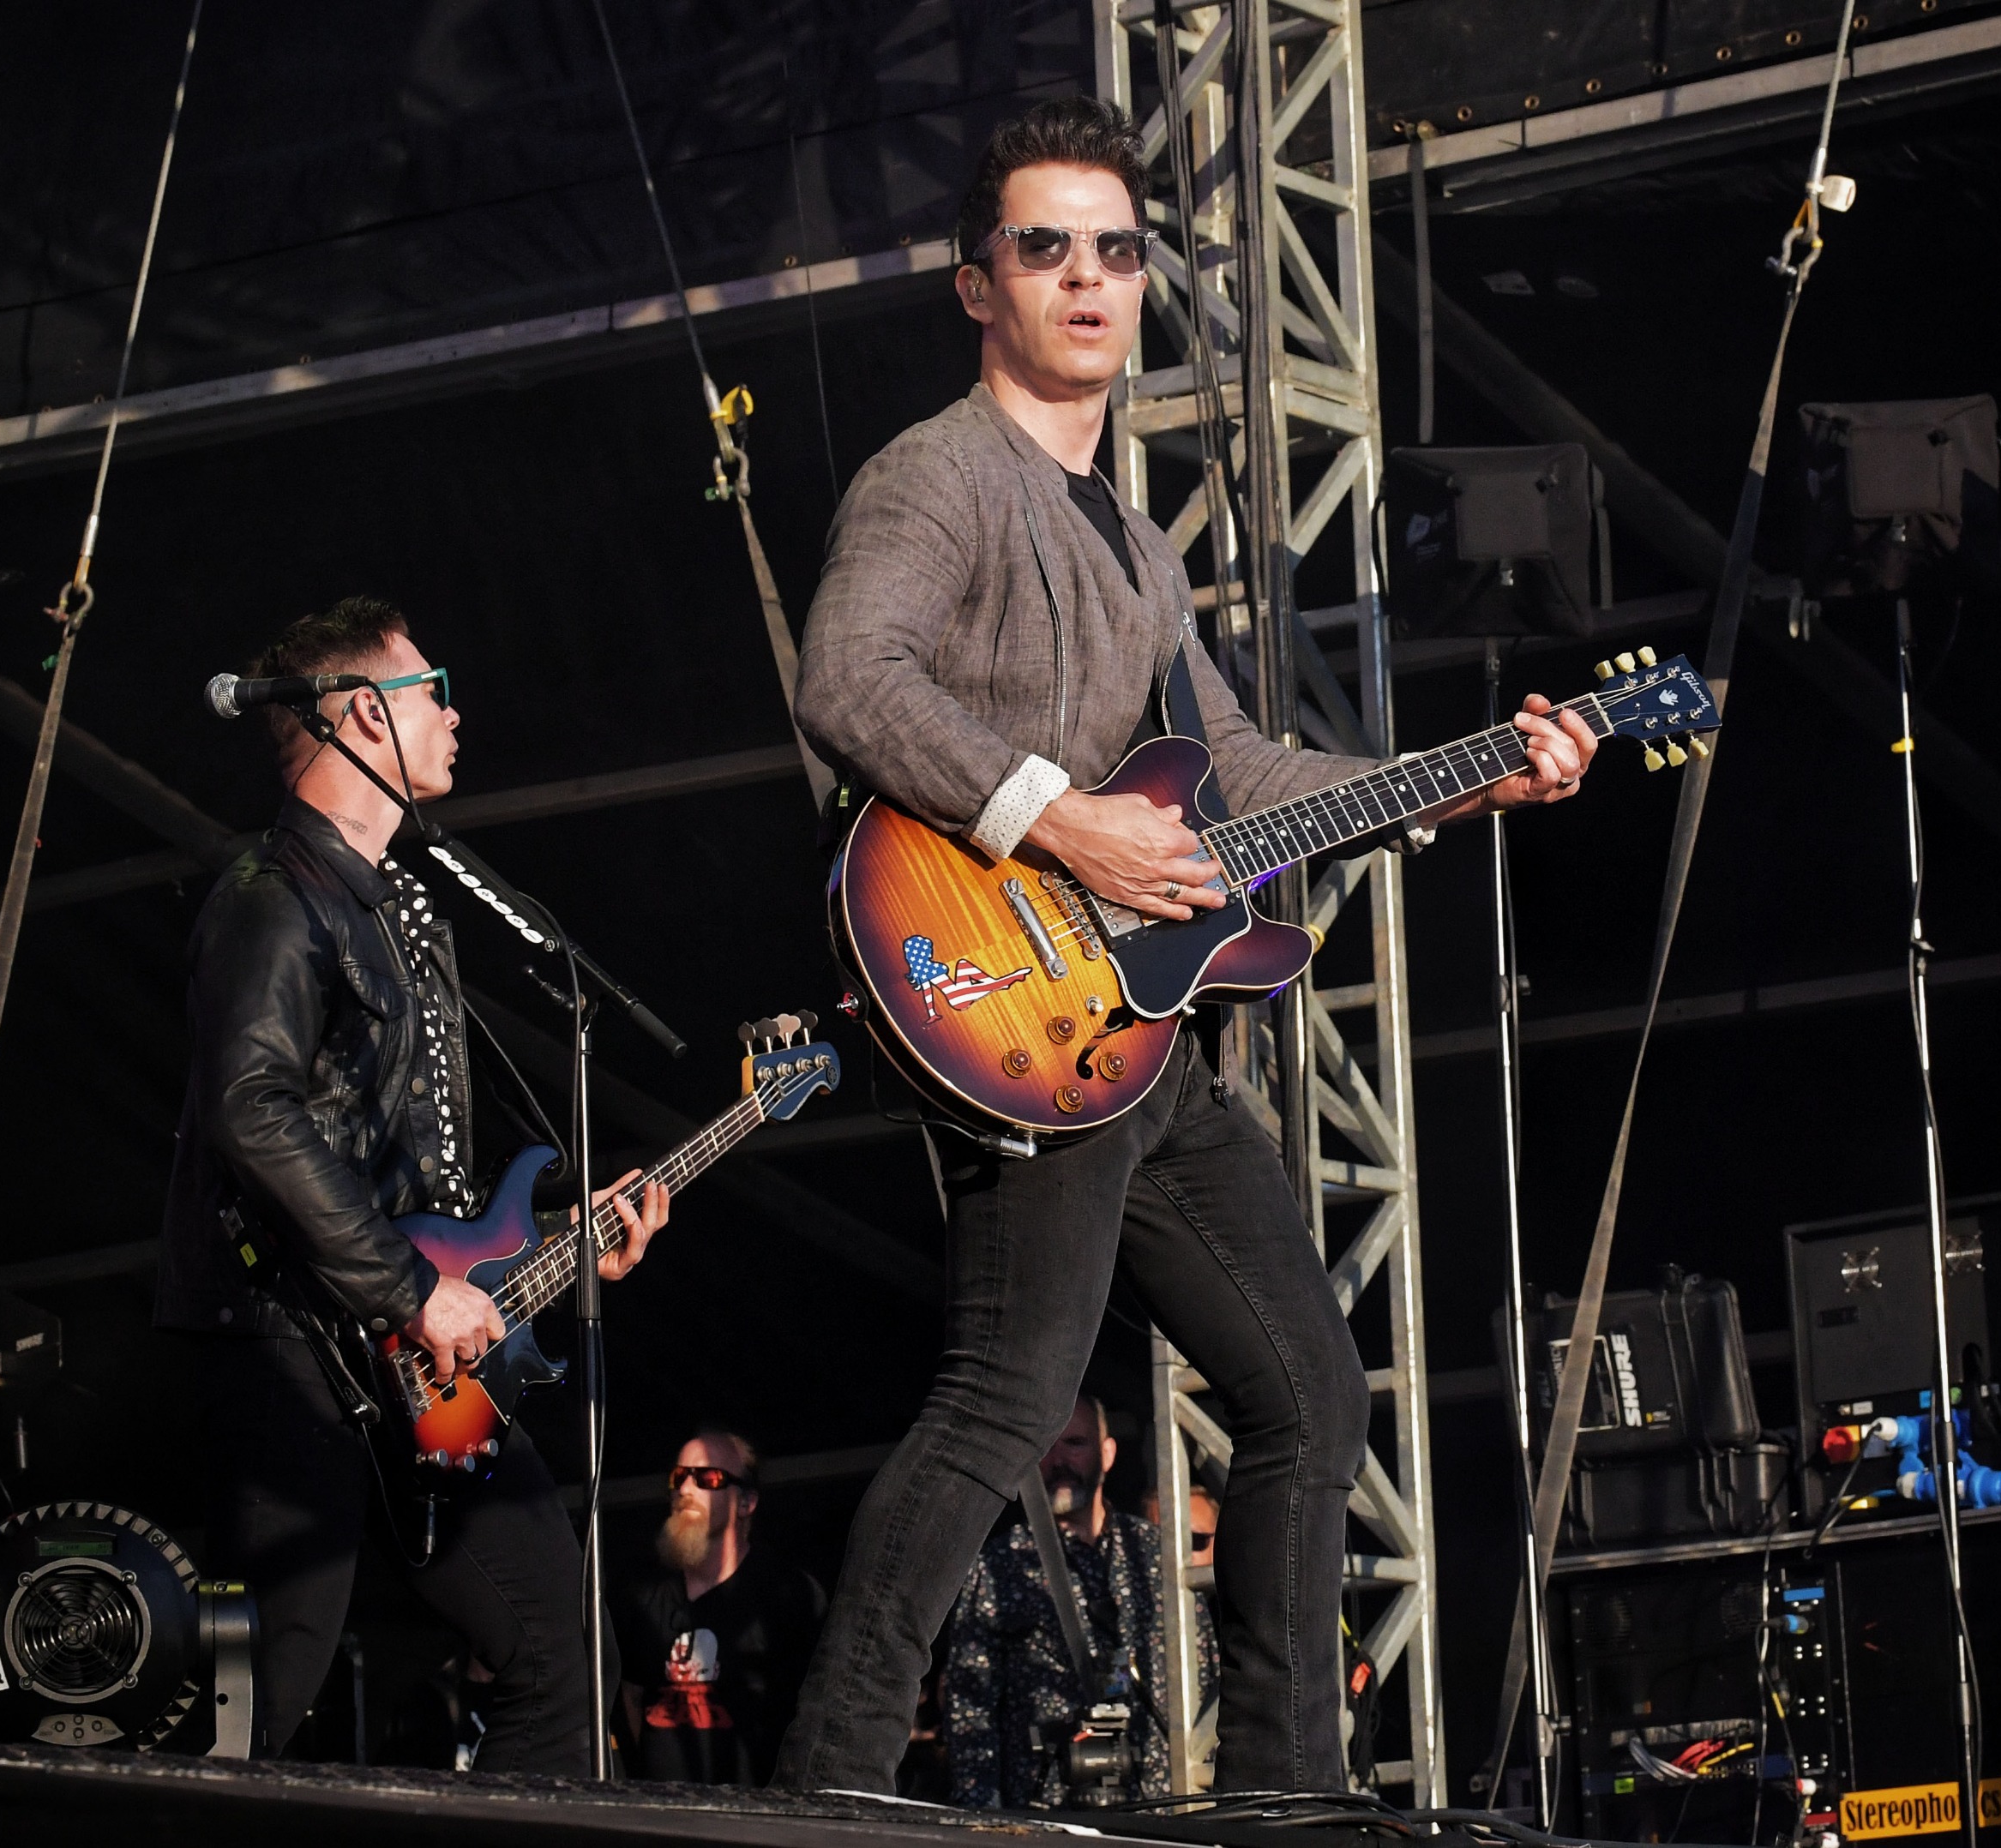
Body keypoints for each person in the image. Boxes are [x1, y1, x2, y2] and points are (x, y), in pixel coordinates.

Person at [776, 98, 1598, 1796]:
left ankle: (1289, 1799)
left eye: (1116, 250)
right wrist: (1061, 823)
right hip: (1017, 1007)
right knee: (1006, 1401)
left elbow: (1234, 775)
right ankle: (828, 1789)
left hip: (1142, 1035)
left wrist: (1467, 781)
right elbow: (848, 676)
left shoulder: (1134, 543)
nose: (1087, 277)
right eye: (1045, 248)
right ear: (978, 286)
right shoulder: (937, 476)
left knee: (1310, 1392)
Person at [156, 595, 671, 1772]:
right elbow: (251, 1108)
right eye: (430, 689)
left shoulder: (405, 910)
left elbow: (419, 1174)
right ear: (361, 717)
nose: (454, 712)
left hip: (410, 1351)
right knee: (263, 1684)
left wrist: (554, 1233)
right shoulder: (270, 896)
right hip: (288, 1341)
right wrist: (408, 1289)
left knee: (561, 1653)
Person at [938, 1396, 1172, 1809]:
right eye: (1046, 1446)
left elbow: (1206, 1678)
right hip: (1048, 1810)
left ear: (1108, 1454)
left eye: (1075, 1443)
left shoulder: (1155, 1554)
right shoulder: (999, 1564)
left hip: (1163, 1805)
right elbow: (970, 1708)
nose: (1059, 1461)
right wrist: (983, 1817)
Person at [616, 1430, 827, 1785]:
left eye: (708, 1478)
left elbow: (817, 1713)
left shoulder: (787, 1594)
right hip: (657, 1808)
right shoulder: (643, 1595)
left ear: (746, 1502)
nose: (686, 1488)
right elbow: (631, 1698)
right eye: (678, 1477)